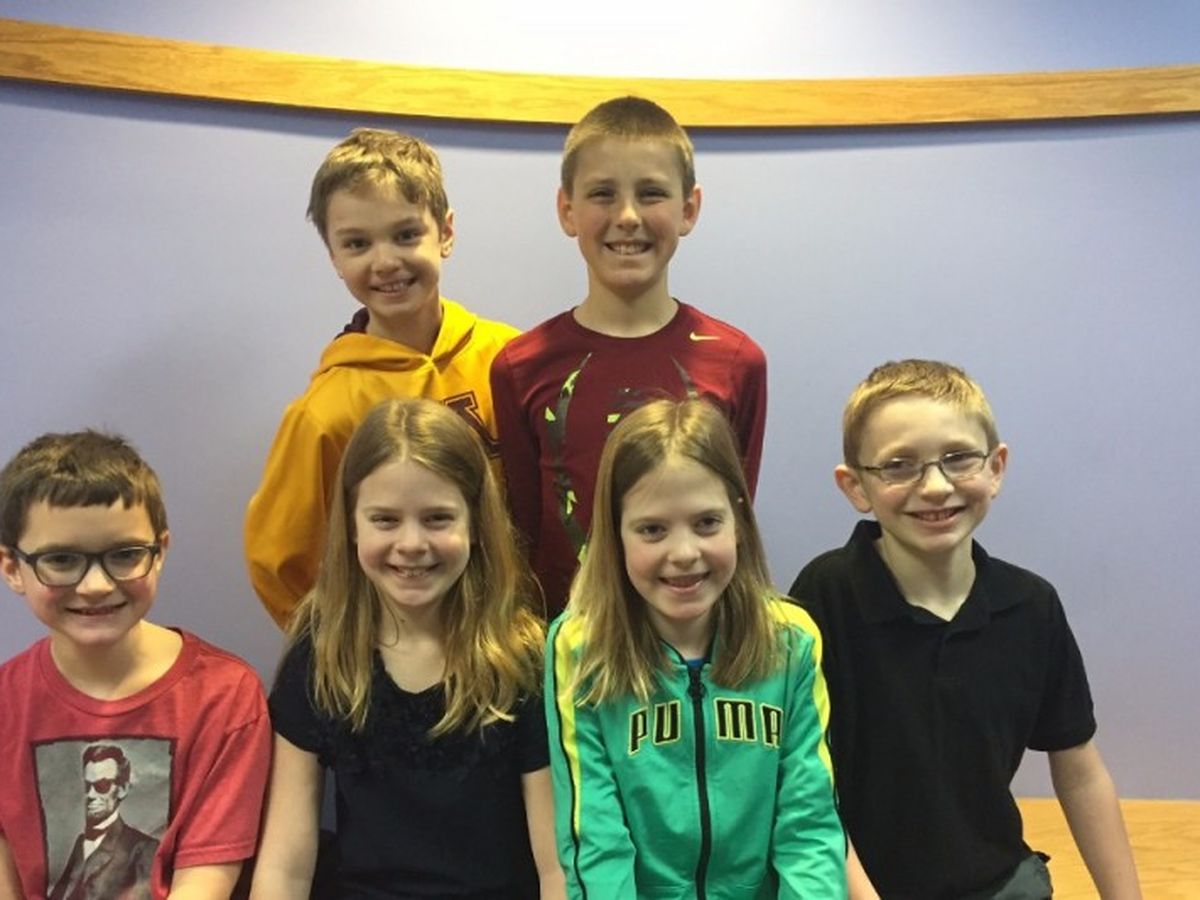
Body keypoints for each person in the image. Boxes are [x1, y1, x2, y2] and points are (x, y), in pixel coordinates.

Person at [789, 359, 1142, 899]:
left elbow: (1080, 771)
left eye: (958, 458)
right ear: (856, 486)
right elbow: (804, 787)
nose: (935, 486)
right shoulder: (825, 596)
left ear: (996, 468)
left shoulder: (1031, 607)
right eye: (899, 466)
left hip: (999, 882)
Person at [251, 398, 565, 899]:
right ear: (351, 525)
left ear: (476, 524)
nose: (412, 543)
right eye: (385, 520)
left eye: (437, 518)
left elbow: (556, 868)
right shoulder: (323, 655)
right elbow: (285, 866)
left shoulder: (523, 660)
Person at [546, 398, 845, 898]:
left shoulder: (792, 640)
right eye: (652, 529)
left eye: (707, 523)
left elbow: (809, 824)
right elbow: (594, 836)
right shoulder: (580, 646)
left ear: (738, 521)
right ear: (616, 534)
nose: (684, 553)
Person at [491, 96, 767, 616]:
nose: (626, 216)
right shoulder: (521, 367)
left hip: (696, 637)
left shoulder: (737, 362)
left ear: (688, 209)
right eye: (602, 194)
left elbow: (732, 523)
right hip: (567, 642)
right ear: (567, 210)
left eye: (651, 193)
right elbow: (522, 536)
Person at [246, 128, 519, 627]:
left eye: (406, 235)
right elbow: (281, 561)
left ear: (446, 233)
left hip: (514, 636)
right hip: (395, 647)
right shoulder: (325, 414)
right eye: (357, 243)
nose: (386, 261)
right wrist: (352, 643)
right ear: (333, 256)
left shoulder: (509, 360)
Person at [0, 430, 271, 899]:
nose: (97, 585)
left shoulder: (225, 697)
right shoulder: (7, 701)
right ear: (11, 568)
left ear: (159, 551)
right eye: (61, 560)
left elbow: (204, 882)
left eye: (125, 555)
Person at [50, 744, 158, 900]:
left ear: (122, 789)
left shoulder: (144, 848)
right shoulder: (81, 843)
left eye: (102, 786)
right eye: (87, 786)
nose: (91, 794)